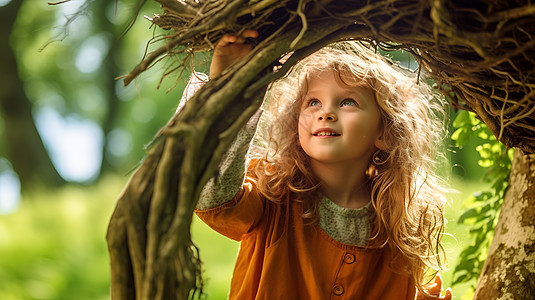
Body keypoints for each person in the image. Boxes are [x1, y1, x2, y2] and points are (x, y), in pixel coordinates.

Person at [182, 29, 453, 299]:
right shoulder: (272, 193)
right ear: (294, 121)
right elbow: (209, 195)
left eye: (348, 101)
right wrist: (228, 91)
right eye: (313, 102)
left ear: (384, 133)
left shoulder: (397, 226)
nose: (326, 112)